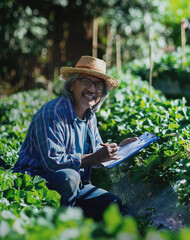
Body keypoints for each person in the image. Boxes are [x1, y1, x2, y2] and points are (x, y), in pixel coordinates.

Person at [13, 55, 138, 221]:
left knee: (112, 203)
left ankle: (81, 228)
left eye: (98, 85)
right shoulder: (52, 114)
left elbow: (96, 156)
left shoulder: (89, 116)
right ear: (71, 85)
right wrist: (95, 157)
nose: (92, 89)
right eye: (86, 81)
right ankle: (57, 228)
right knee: (69, 176)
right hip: (35, 183)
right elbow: (53, 163)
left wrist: (119, 150)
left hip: (74, 186)